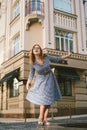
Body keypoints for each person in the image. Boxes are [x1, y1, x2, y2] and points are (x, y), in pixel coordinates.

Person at [26, 44, 71, 126]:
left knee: (49, 100)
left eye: (38, 48)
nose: (36, 49)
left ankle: (45, 119)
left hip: (50, 77)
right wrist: (28, 82)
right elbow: (31, 73)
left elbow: (57, 59)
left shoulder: (46, 57)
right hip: (40, 80)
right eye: (34, 48)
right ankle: (40, 117)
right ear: (32, 51)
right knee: (43, 99)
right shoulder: (32, 62)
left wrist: (67, 55)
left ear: (40, 50)